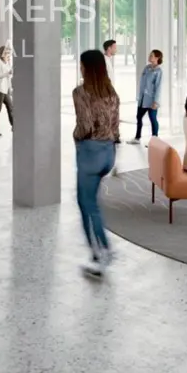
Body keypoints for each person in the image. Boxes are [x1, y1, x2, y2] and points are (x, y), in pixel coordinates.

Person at [73, 48, 120, 278]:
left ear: (87, 68)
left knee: (86, 204)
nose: (80, 68)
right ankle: (99, 252)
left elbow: (85, 126)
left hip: (90, 152)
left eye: (81, 65)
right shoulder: (111, 92)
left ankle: (102, 251)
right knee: (92, 202)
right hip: (109, 152)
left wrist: (76, 137)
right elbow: (115, 125)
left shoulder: (81, 93)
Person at [130, 50, 164, 144]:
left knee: (153, 119)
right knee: (139, 117)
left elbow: (158, 87)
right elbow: (142, 84)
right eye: (150, 55)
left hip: (152, 100)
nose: (149, 56)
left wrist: (156, 101)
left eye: (152, 55)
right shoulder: (147, 68)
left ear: (157, 58)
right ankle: (137, 138)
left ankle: (155, 141)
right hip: (142, 98)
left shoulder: (158, 71)